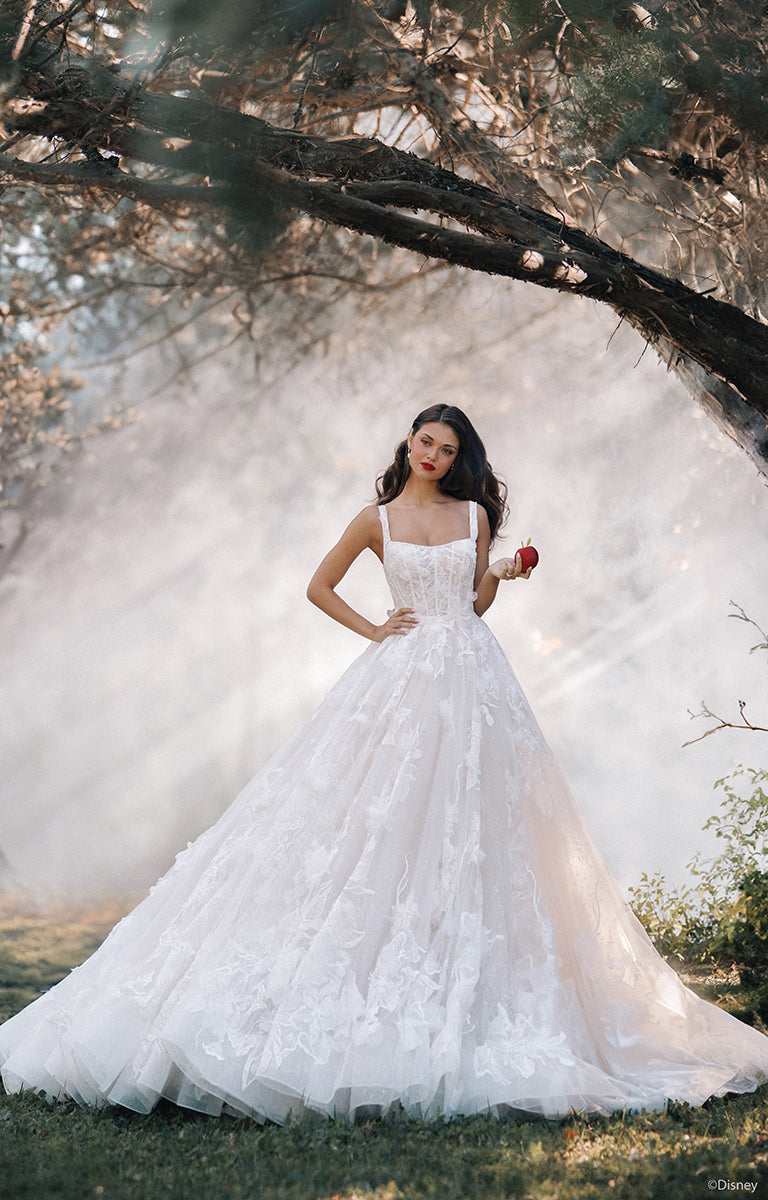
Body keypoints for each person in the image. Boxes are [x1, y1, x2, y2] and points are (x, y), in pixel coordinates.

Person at [1, 403, 768, 1123]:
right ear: (408, 444)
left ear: (461, 458)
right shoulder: (374, 519)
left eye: (448, 448)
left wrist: (499, 574)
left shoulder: (474, 515)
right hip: (400, 677)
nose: (434, 455)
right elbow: (317, 586)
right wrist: (374, 629)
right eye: (425, 442)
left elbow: (472, 605)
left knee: (481, 821)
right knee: (367, 820)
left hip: (474, 675)